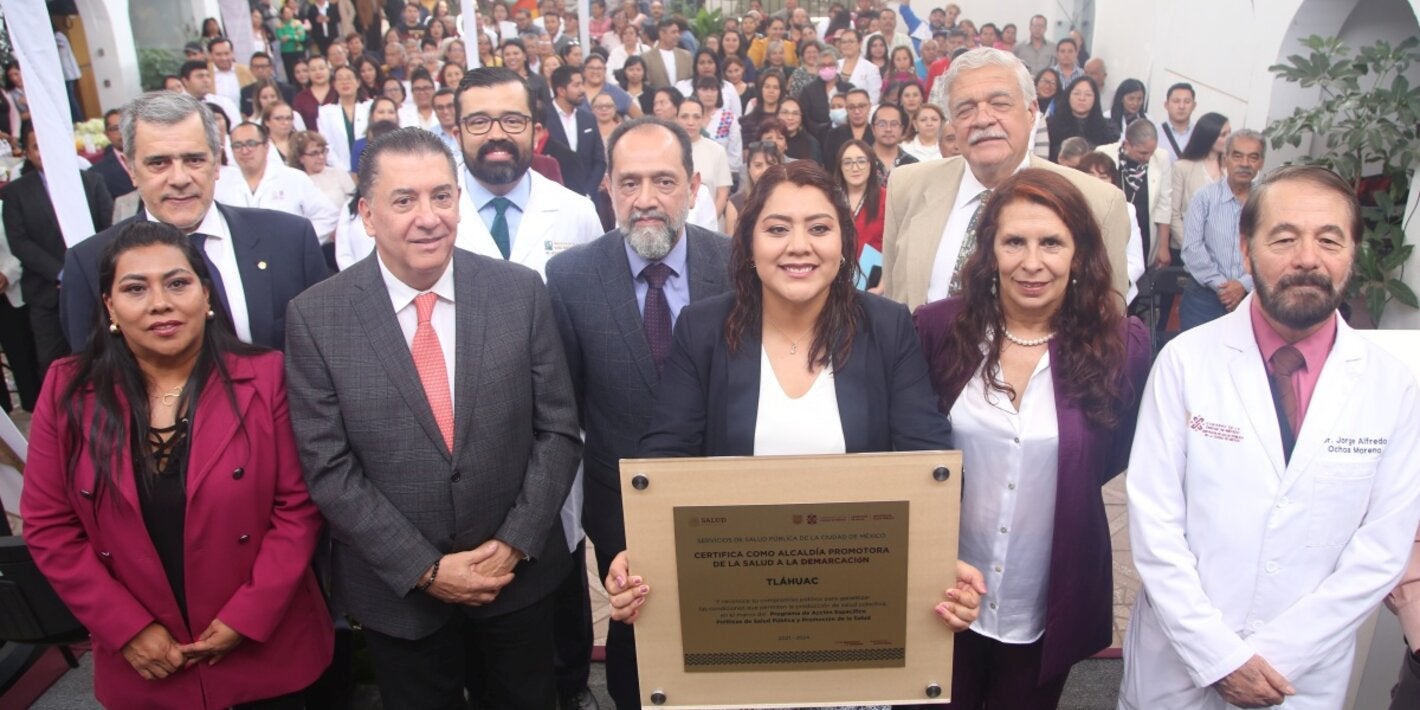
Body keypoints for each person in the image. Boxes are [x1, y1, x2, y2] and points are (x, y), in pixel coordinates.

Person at [601, 160, 986, 701]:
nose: (798, 246)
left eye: (820, 228)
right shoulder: (705, 328)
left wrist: (940, 560)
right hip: (735, 607)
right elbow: (666, 459)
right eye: (778, 228)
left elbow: (928, 463)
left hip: (856, 607)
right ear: (750, 242)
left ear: (845, 244)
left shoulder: (888, 326)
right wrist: (636, 554)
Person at [285, 125, 580, 709]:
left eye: (442, 196)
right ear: (367, 215)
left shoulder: (518, 292)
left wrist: (514, 543)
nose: (429, 217)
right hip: (402, 596)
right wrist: (424, 568)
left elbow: (558, 431)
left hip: (515, 583)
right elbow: (329, 468)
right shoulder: (318, 317)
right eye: (405, 200)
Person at [1121, 164, 1420, 710]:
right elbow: (1154, 523)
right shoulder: (1186, 362)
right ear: (1246, 246)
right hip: (1180, 662)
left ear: (1353, 251)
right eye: (1284, 238)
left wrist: (1278, 653)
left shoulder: (1391, 387)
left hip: (1301, 673)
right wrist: (1218, 656)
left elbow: (1381, 549)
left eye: (1329, 239)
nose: (1307, 258)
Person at [22, 221, 334, 709]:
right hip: (145, 661)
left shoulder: (268, 375)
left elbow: (299, 508)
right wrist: (126, 629)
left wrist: (245, 617)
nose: (160, 303)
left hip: (269, 646)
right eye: (134, 288)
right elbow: (48, 526)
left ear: (205, 294)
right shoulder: (67, 391)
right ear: (109, 307)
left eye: (177, 282)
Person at [915, 168, 1150, 708]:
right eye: (1014, 241)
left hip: (1048, 596)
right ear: (990, 250)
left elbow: (1106, 457)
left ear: (1079, 253)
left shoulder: (1123, 345)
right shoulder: (936, 331)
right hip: (943, 592)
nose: (1032, 262)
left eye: (1051, 243)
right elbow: (912, 451)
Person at [545, 116, 734, 710]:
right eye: (629, 183)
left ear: (694, 185)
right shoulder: (570, 276)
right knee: (636, 641)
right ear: (607, 187)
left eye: (663, 181)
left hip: (724, 495)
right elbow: (568, 400)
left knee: (728, 634)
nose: (646, 200)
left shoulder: (737, 265)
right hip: (620, 501)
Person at [61, 92, 330, 353]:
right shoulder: (90, 264)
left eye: (194, 160)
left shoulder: (289, 239)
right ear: (132, 170)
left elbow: (325, 353)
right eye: (159, 163)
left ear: (216, 164)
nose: (180, 178)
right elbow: (92, 379)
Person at [880, 48, 1131, 311]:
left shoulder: (1098, 202)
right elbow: (895, 305)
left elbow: (1108, 323)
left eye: (1000, 104)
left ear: (1031, 112)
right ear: (951, 125)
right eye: (965, 110)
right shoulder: (907, 186)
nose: (983, 119)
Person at [3, 122, 114, 375]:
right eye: (35, 147)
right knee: (55, 366)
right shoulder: (15, 193)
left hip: (97, 286)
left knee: (105, 360)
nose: (44, 152)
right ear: (28, 153)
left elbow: (107, 228)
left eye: (48, 145)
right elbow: (19, 242)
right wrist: (62, 272)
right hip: (46, 293)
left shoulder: (91, 182)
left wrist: (85, 270)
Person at [1179, 129, 1264, 330]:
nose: (1245, 163)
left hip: (1253, 298)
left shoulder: (1268, 202)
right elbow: (1192, 248)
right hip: (1203, 299)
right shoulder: (1204, 197)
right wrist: (1224, 288)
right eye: (1237, 156)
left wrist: (1243, 284)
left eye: (1253, 157)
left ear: (1260, 163)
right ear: (1225, 160)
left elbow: (1274, 249)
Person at [217, 121, 340, 246]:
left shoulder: (293, 178)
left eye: (251, 143)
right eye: (237, 145)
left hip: (286, 255)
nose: (245, 151)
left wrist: (298, 242)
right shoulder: (221, 183)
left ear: (266, 146)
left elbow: (328, 216)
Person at [1098, 119, 1173, 280]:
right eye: (1143, 153)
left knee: (1135, 279)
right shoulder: (1104, 153)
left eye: (1151, 152)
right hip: (1110, 229)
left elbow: (1164, 204)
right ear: (1127, 144)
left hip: (1144, 231)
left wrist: (1164, 246)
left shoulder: (1162, 158)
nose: (1148, 158)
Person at [1166, 112, 1229, 268]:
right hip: (1185, 249)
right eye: (1223, 134)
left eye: (1230, 133)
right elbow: (1173, 214)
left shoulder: (1231, 169)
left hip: (1220, 253)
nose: (1229, 138)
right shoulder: (1183, 167)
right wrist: (1193, 248)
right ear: (1209, 136)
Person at [543, 66, 608, 199]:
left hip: (588, 197)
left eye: (582, 84)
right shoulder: (543, 118)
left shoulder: (588, 119)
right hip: (554, 197)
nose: (582, 90)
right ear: (561, 90)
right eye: (576, 85)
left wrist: (588, 191)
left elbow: (599, 160)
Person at [679, 97, 732, 220]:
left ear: (703, 120)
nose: (690, 122)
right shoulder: (667, 150)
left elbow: (722, 194)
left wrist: (710, 222)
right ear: (677, 118)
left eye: (696, 117)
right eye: (685, 116)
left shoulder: (717, 150)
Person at [835, 139, 885, 266]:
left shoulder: (887, 199)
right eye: (847, 163)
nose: (855, 168)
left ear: (871, 164)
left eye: (861, 161)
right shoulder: (829, 199)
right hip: (836, 273)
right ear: (840, 167)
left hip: (876, 277)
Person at [289, 129, 355, 221]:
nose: (321, 157)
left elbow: (354, 204)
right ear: (300, 158)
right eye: (314, 153)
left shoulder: (338, 173)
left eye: (323, 151)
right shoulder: (295, 182)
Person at [316, 65, 369, 174]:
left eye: (349, 78)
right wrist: (343, 171)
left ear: (358, 82)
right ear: (334, 85)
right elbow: (326, 144)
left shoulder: (370, 107)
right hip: (339, 171)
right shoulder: (325, 112)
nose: (345, 82)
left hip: (370, 168)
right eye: (340, 79)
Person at [1046, 76, 1113, 162]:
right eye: (1076, 93)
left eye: (1088, 94)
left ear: (1095, 99)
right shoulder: (1050, 126)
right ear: (1068, 96)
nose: (1082, 98)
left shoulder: (1108, 129)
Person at [725, 140, 782, 234]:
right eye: (758, 165)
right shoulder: (736, 203)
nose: (765, 170)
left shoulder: (790, 199)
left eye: (771, 164)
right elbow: (731, 244)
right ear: (749, 169)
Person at [179, 60, 242, 129]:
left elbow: (237, 128)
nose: (206, 80)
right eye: (200, 76)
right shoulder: (176, 105)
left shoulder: (224, 102)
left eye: (208, 76)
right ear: (185, 81)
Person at [823, 88, 874, 171]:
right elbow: (829, 166)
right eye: (851, 107)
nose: (857, 111)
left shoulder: (877, 133)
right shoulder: (834, 135)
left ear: (869, 106)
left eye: (861, 106)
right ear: (846, 109)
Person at [91, 108, 137, 199]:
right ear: (106, 134)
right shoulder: (98, 173)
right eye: (115, 128)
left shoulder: (158, 156)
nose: (122, 132)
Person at [869, 102, 918, 182]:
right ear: (873, 128)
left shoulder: (913, 164)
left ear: (902, 129)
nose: (888, 129)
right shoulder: (862, 161)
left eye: (894, 124)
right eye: (882, 124)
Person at [207, 38, 255, 109]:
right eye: (218, 54)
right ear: (210, 55)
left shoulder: (246, 71)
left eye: (227, 53)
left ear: (232, 53)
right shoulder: (206, 73)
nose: (224, 58)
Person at [293, 56, 337, 132]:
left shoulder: (338, 92)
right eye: (313, 70)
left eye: (321, 68)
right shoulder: (300, 98)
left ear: (329, 70)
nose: (318, 72)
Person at [644, 19, 693, 88]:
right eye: (674, 32)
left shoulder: (686, 56)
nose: (677, 35)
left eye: (678, 32)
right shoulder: (646, 58)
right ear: (662, 34)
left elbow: (691, 80)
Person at [837, 30, 882, 104]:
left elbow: (874, 98)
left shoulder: (871, 69)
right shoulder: (835, 65)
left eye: (851, 41)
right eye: (844, 42)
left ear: (860, 43)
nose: (847, 45)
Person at [1157, 82, 1196, 161]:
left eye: (1187, 101)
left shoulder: (1199, 134)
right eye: (1176, 101)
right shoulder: (1155, 132)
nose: (1182, 106)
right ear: (1166, 105)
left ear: (1194, 106)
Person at [776, 97, 820, 163]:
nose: (790, 118)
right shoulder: (768, 139)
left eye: (795, 113)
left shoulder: (812, 144)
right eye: (785, 112)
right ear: (777, 115)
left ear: (801, 117)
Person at [276, 6, 308, 85]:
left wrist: (289, 36)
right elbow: (282, 38)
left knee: (302, 70)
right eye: (286, 13)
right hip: (286, 52)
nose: (288, 14)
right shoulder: (279, 25)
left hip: (298, 50)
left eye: (290, 12)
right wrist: (295, 35)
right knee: (290, 73)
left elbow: (301, 37)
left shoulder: (297, 23)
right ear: (282, 14)